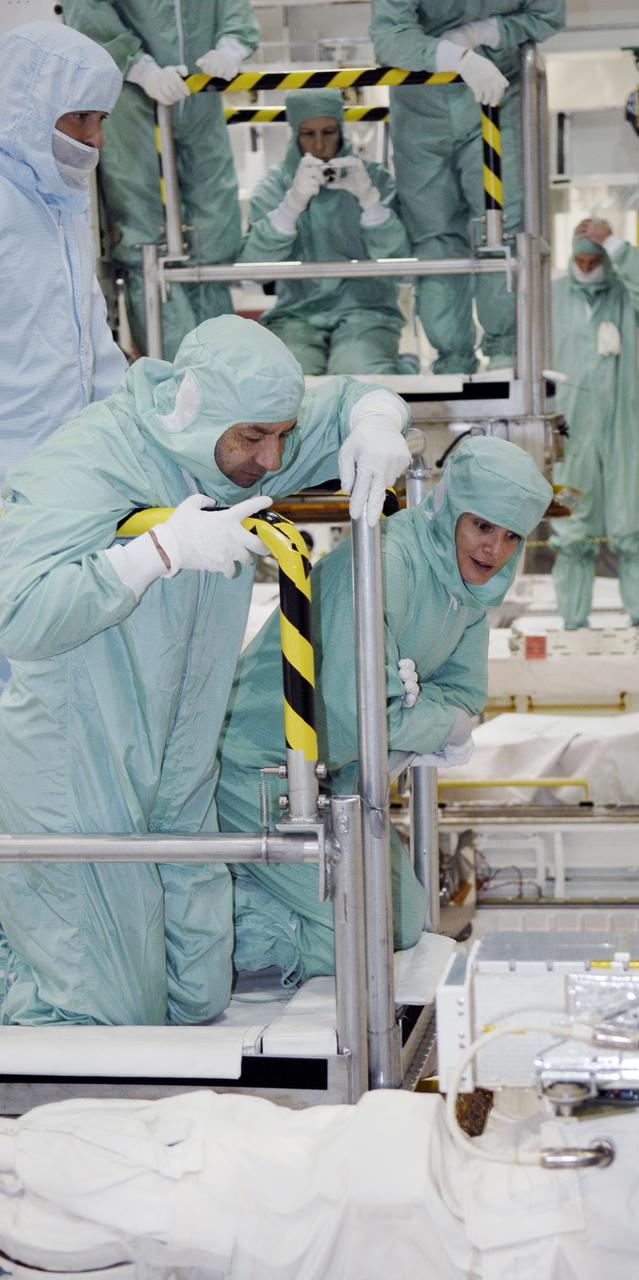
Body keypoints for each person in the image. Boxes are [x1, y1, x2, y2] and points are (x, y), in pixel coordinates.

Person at [0, 315, 412, 1027]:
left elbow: (349, 395)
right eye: (255, 438)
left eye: (282, 434)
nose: (272, 457)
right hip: (79, 767)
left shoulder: (247, 438)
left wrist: (377, 422)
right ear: (196, 409)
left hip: (178, 760)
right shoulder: (91, 461)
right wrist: (153, 553)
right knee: (103, 1008)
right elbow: (18, 615)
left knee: (198, 992)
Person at [217, 436, 552, 986]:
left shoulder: (471, 588)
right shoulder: (388, 561)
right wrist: (434, 720)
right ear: (449, 511)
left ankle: (257, 888)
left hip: (335, 780)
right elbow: (360, 717)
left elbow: (467, 696)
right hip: (263, 772)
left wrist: (414, 712)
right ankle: (207, 923)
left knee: (397, 923)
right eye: (483, 526)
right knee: (356, 937)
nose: (495, 550)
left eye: (512, 535)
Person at [369, 1, 565, 374]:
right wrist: (453, 56)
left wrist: (486, 32)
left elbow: (550, 15)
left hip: (496, 95)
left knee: (500, 226)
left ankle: (506, 349)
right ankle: (452, 357)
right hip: (420, 100)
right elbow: (388, 36)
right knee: (434, 234)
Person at [65, 0, 260, 360]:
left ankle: (226, 364)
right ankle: (177, 369)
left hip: (200, 90)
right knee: (142, 232)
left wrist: (232, 44)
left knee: (212, 223)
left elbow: (234, 8)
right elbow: (89, 11)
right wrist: (139, 66)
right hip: (129, 90)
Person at [0, 20, 126, 493]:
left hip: (68, 471)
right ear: (28, 106)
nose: (96, 138)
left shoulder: (63, 202)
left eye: (102, 119)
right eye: (81, 116)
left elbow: (89, 341)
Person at [240, 89, 412, 375]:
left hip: (367, 311)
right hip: (297, 314)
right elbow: (254, 269)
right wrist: (290, 207)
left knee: (357, 373)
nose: (319, 145)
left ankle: (398, 365)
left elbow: (398, 263)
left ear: (341, 131)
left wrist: (371, 204)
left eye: (328, 132)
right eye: (308, 133)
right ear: (294, 133)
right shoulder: (275, 184)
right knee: (294, 381)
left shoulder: (372, 178)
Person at [549, 218, 639, 629]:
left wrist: (613, 240)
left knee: (630, 530)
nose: (585, 267)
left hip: (622, 431)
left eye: (593, 259)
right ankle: (573, 626)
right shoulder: (553, 297)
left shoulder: (624, 295)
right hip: (571, 432)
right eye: (578, 260)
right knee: (571, 534)